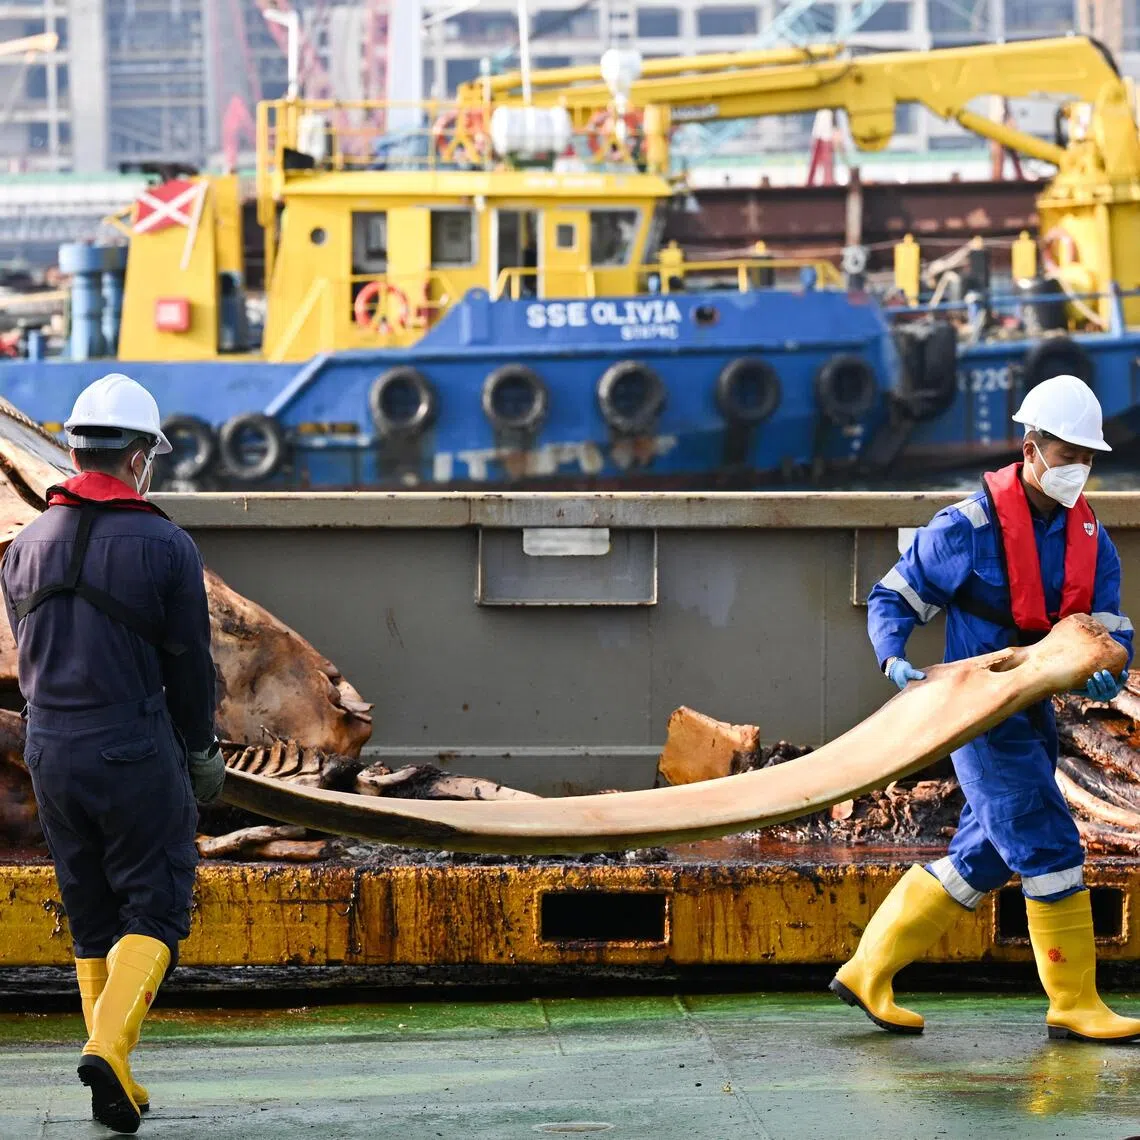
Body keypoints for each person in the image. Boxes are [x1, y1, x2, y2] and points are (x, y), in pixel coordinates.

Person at [831, 374, 1140, 1044]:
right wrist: (894, 657)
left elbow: (1114, 629)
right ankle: (1073, 1001)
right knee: (1049, 839)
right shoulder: (966, 529)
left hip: (1033, 713)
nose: (1078, 471)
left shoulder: (1093, 539)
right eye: (1067, 455)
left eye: (1088, 459)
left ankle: (867, 969)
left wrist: (1105, 670)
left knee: (987, 853)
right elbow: (894, 599)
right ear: (1030, 449)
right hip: (977, 718)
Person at [0, 374, 225, 1134]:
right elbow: (190, 666)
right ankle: (108, 1047)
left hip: (50, 751)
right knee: (156, 908)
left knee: (92, 914)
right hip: (132, 747)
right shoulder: (166, 545)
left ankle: (114, 1077)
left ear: (71, 451)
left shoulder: (22, 549)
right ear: (138, 459)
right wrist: (199, 749)